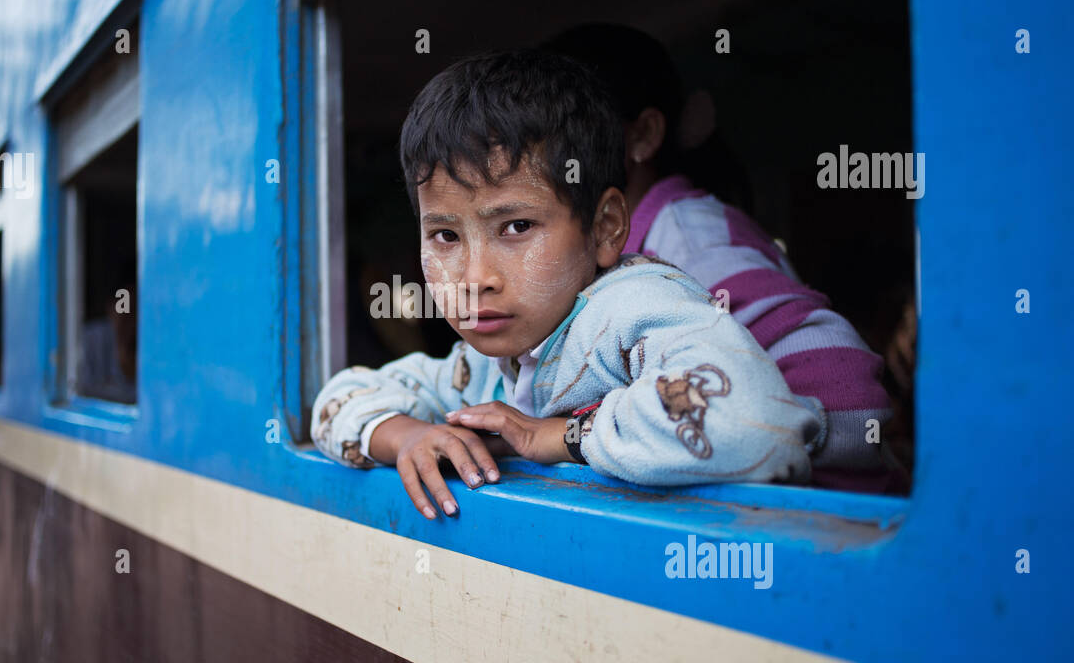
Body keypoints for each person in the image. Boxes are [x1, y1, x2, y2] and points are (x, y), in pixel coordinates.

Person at [311, 50, 826, 520]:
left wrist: (558, 435)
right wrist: (407, 436)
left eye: (516, 228)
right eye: (445, 235)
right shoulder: (481, 369)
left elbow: (754, 426)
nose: (474, 279)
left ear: (605, 228)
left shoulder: (632, 310)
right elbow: (338, 398)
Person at [541, 24, 900, 493]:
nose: (541, 159)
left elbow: (851, 400)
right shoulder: (624, 250)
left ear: (644, 135)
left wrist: (781, 476)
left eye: (565, 133)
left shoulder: (690, 241)